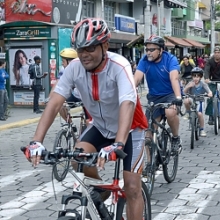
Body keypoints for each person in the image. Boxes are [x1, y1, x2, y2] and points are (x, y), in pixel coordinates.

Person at [23, 18, 148, 220]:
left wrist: (118, 143)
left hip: (131, 130)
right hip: (100, 127)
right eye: (80, 49)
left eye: (90, 48)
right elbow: (55, 102)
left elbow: (127, 103)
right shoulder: (74, 68)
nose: (84, 55)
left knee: (132, 186)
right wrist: (36, 141)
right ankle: (101, 192)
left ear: (105, 45)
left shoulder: (119, 65)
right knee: (76, 158)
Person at [134, 35, 182, 153]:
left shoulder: (170, 59)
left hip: (170, 94)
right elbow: (136, 79)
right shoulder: (144, 60)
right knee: (148, 132)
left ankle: (175, 138)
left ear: (161, 50)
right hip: (154, 97)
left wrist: (178, 97)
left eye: (152, 50)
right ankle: (150, 165)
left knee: (170, 112)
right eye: (147, 50)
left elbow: (174, 78)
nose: (148, 53)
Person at [183, 67, 212, 136]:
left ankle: (202, 129)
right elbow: (184, 92)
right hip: (192, 99)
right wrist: (188, 87)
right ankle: (188, 112)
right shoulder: (190, 83)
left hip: (200, 100)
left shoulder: (202, 84)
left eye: (198, 76)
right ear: (192, 77)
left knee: (199, 114)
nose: (195, 78)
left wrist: (209, 94)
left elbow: (209, 91)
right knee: (186, 101)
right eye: (194, 76)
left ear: (200, 77)